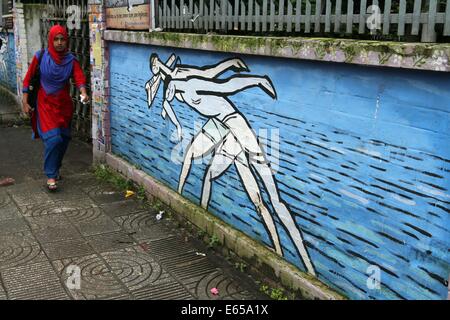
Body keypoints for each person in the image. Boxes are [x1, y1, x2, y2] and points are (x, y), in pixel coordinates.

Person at [145, 54, 316, 276]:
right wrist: (173, 118)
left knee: (272, 198)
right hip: (225, 131)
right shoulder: (177, 93)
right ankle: (274, 247)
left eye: (168, 86)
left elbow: (225, 85)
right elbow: (165, 100)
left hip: (236, 127)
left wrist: (257, 80)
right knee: (252, 197)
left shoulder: (190, 85)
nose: (167, 93)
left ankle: (306, 265)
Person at [22, 25, 89, 191]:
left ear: (66, 41)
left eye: (62, 39)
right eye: (56, 39)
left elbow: (79, 77)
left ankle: (55, 167)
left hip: (64, 105)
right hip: (45, 103)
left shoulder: (71, 60)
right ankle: (51, 175)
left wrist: (83, 92)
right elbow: (28, 79)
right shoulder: (41, 56)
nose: (59, 43)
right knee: (54, 139)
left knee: (64, 139)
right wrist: (25, 101)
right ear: (51, 40)